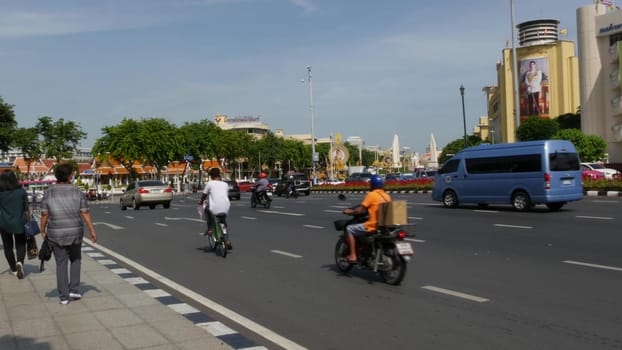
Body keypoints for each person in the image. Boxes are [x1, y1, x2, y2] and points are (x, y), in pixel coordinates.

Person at [40, 163, 97, 304]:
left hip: (56, 233)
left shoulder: (49, 192)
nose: (72, 176)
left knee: (61, 263)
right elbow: (84, 212)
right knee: (76, 259)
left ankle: (64, 297)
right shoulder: (77, 191)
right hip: (75, 231)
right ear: (68, 176)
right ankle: (74, 290)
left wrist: (42, 229)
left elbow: (44, 214)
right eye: (71, 174)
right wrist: (91, 229)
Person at [342, 174, 391, 263]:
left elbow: (360, 210)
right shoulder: (386, 196)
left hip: (373, 225)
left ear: (372, 185)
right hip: (383, 225)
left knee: (349, 229)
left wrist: (350, 212)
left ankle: (353, 255)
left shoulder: (371, 195)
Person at [0, 170, 29, 279]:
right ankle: (20, 262)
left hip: (4, 223)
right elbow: (26, 210)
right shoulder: (21, 192)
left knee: (8, 247)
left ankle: (13, 269)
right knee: (21, 245)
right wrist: (29, 221)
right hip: (20, 222)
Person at [199, 168, 232, 249]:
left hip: (214, 207)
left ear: (211, 176)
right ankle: (227, 241)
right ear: (219, 175)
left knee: (207, 209)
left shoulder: (210, 184)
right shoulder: (225, 184)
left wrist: (201, 201)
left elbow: (204, 195)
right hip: (226, 207)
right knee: (223, 222)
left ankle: (210, 228)